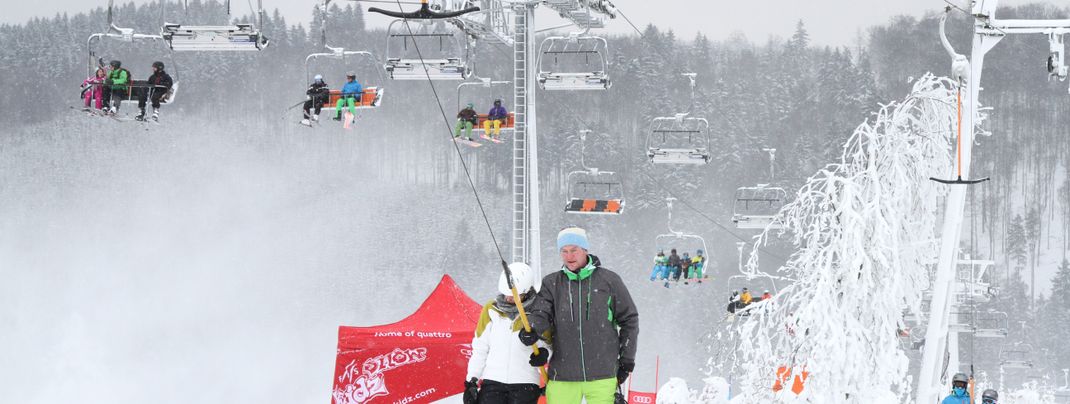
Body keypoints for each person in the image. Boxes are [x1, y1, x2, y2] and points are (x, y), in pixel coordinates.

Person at [519, 227, 639, 404]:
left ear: (585, 250)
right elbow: (541, 312)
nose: (569, 256)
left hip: (603, 374)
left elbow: (629, 320)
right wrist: (533, 328)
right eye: (564, 251)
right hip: (563, 375)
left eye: (574, 250)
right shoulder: (552, 283)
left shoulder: (609, 280)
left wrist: (627, 360)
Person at [464, 262, 549, 404]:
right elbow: (480, 348)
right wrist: (471, 381)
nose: (509, 299)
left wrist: (544, 353)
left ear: (527, 291)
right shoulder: (491, 310)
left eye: (515, 295)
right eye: (506, 295)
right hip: (493, 382)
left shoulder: (538, 312)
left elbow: (549, 345)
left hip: (525, 384)